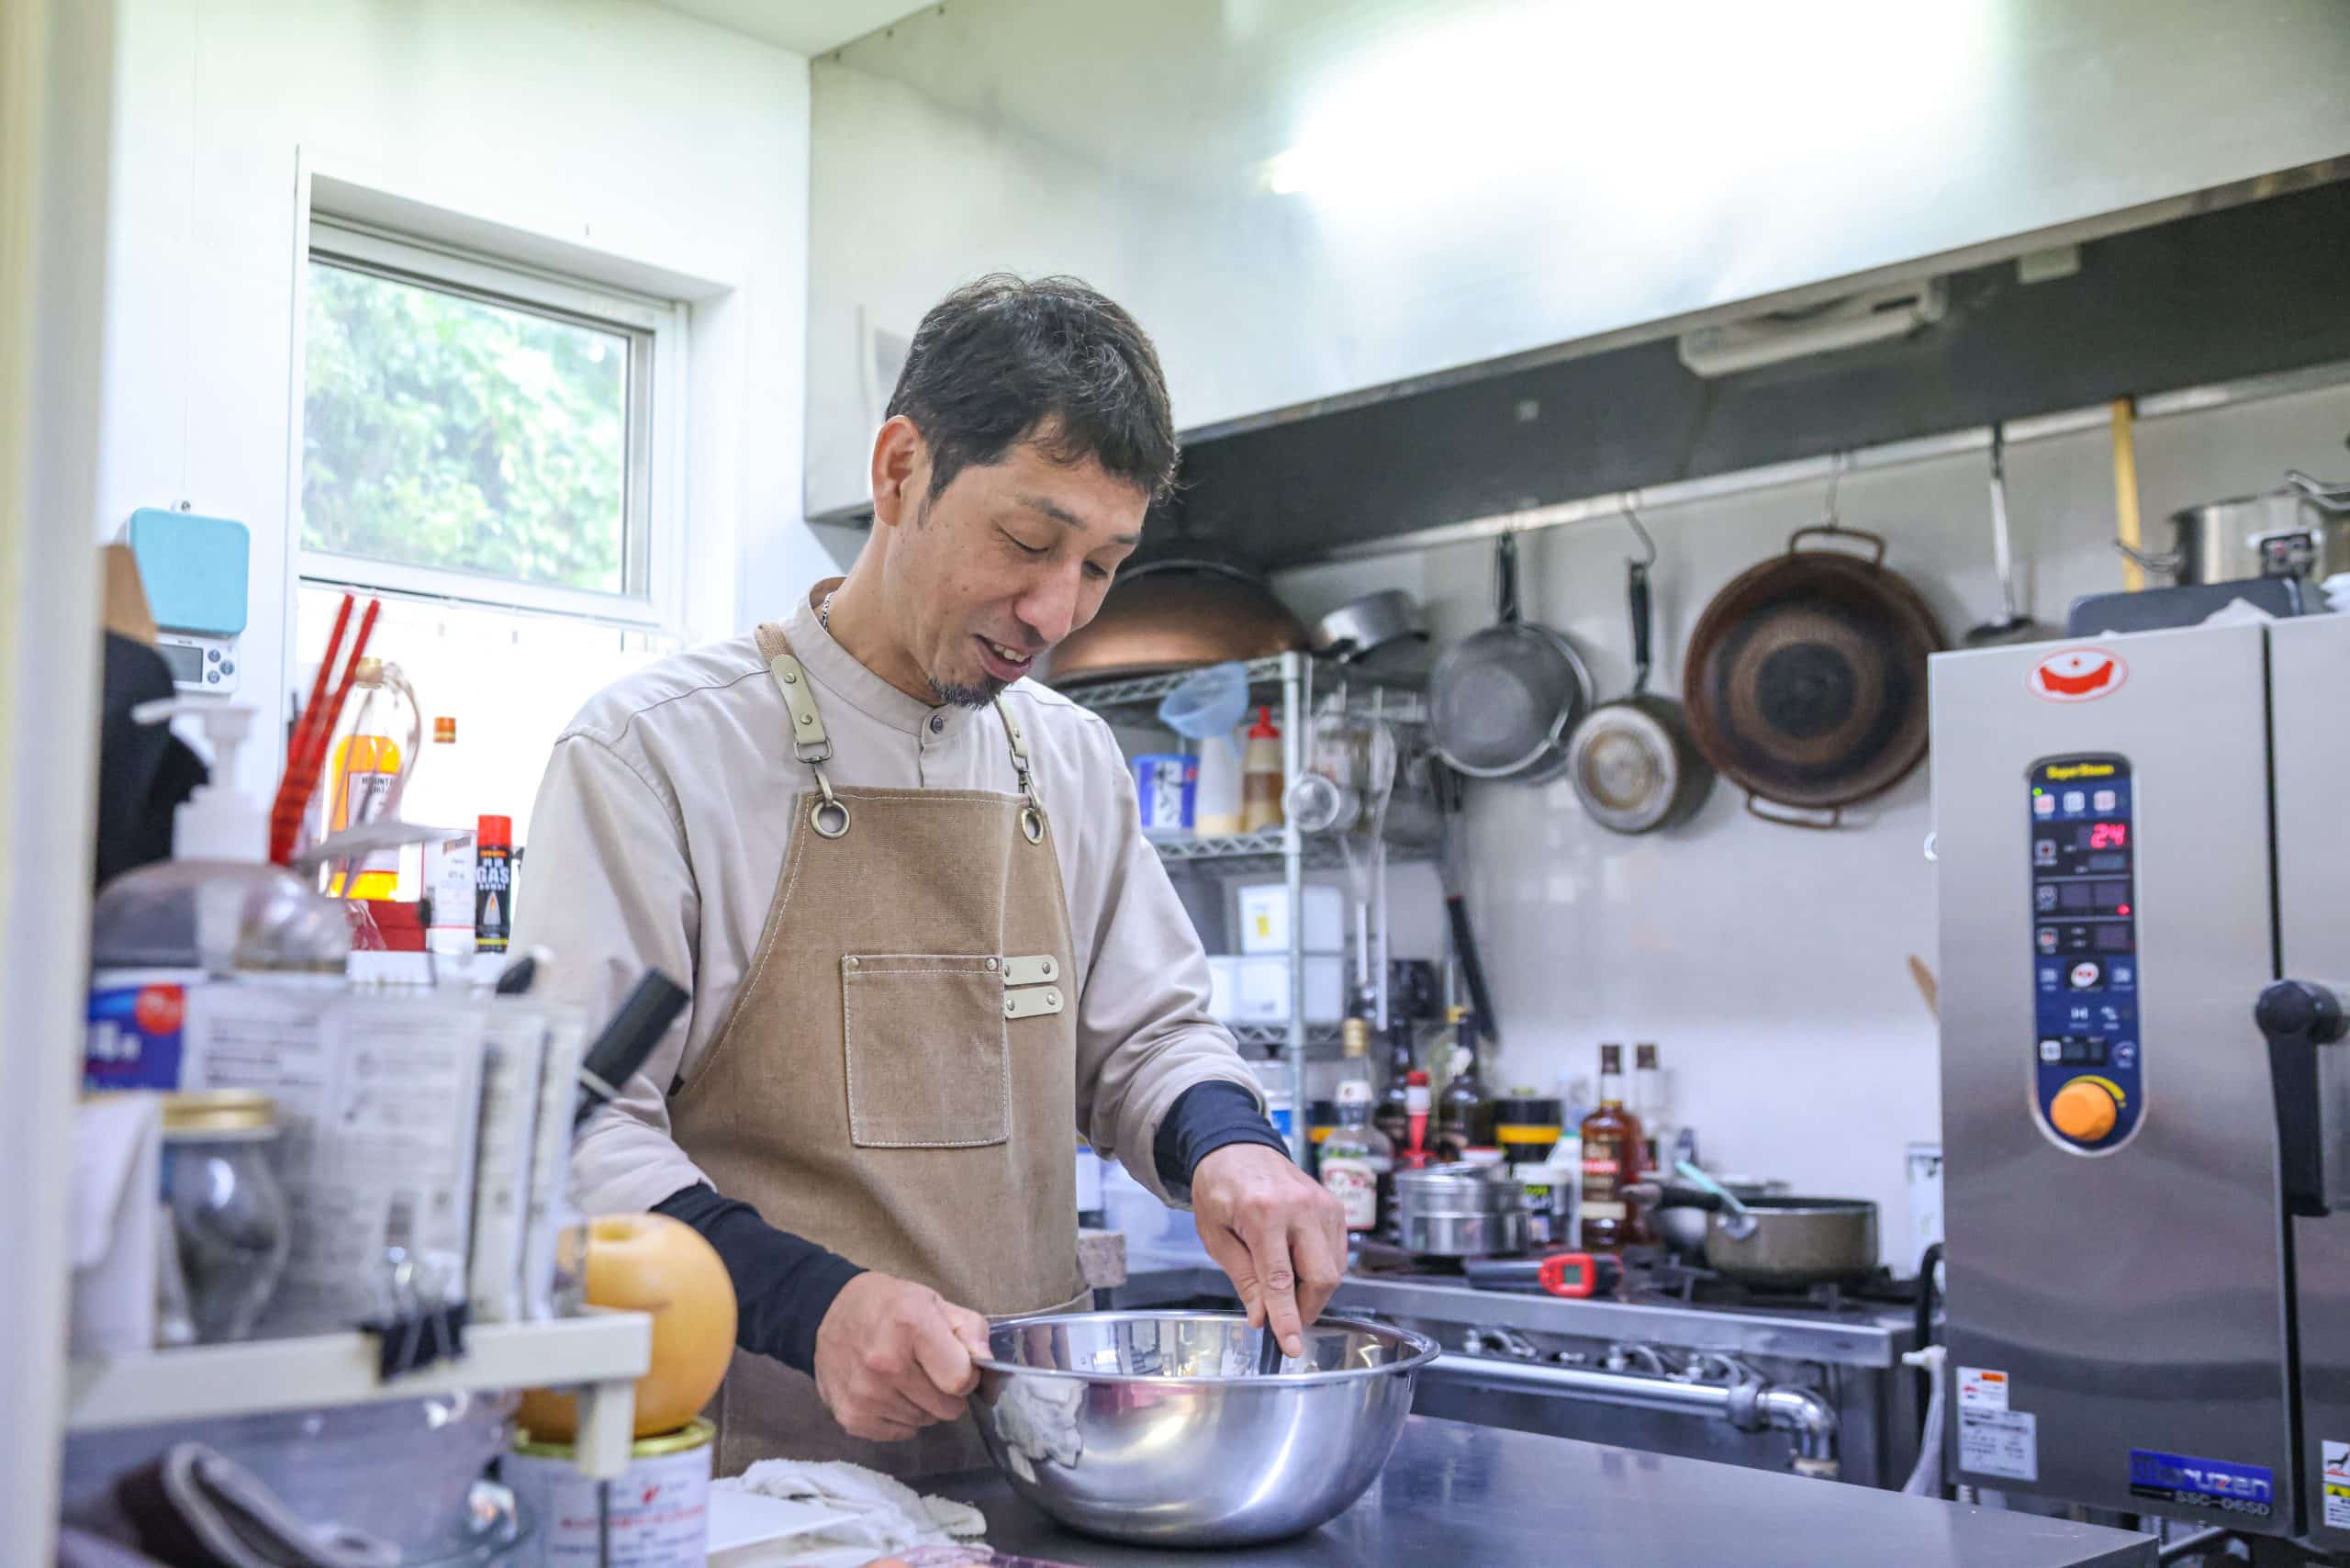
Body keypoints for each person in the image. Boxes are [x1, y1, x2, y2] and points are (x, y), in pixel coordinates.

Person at [516, 274, 1346, 1477]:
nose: (1054, 609)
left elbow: (1146, 1039)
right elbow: (579, 1134)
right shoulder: (655, 756)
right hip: (755, 1481)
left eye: (1104, 564)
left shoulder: (1067, 757)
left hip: (1041, 1474)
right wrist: (818, 1308)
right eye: (1027, 540)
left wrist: (1232, 1148)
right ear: (900, 470)